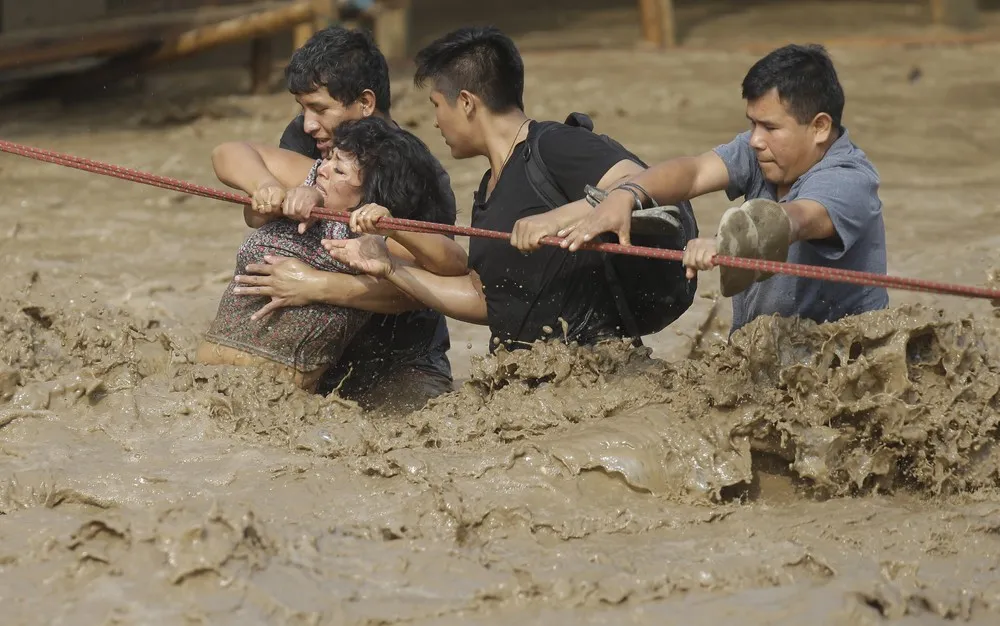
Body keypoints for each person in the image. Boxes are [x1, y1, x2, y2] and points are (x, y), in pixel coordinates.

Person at [325, 26, 695, 351]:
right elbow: (484, 300)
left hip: (599, 372)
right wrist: (390, 268)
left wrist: (557, 218)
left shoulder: (554, 144)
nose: (435, 122)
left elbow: (636, 180)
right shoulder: (490, 189)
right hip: (528, 382)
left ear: (467, 102)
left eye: (437, 104)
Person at [558, 43, 889, 335]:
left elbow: (794, 219)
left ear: (819, 127)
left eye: (770, 127)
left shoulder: (848, 179)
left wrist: (724, 242)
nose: (756, 140)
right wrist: (626, 194)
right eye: (752, 123)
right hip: (765, 353)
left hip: (836, 367)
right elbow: (694, 171)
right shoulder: (762, 152)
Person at [229, 26, 463, 412]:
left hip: (401, 363)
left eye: (319, 108)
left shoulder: (418, 172)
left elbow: (426, 288)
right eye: (302, 108)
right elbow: (235, 161)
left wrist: (316, 285)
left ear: (365, 103)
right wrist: (266, 189)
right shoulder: (313, 140)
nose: (307, 123)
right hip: (321, 356)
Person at [195, 117, 462, 395]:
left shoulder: (371, 237)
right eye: (328, 159)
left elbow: (452, 266)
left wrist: (394, 229)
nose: (323, 169)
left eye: (340, 170)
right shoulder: (308, 182)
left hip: (275, 402)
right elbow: (225, 153)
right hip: (200, 383)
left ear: (370, 196)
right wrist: (267, 186)